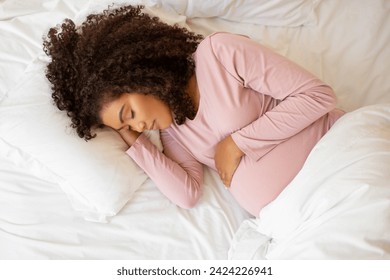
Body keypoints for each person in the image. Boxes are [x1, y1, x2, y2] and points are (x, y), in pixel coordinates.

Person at [43, 5, 344, 217]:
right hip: (300, 216)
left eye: (129, 114)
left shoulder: (219, 54)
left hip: (338, 166)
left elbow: (317, 96)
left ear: (138, 75)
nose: (140, 124)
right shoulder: (172, 129)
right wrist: (134, 141)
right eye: (128, 126)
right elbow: (187, 194)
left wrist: (238, 143)